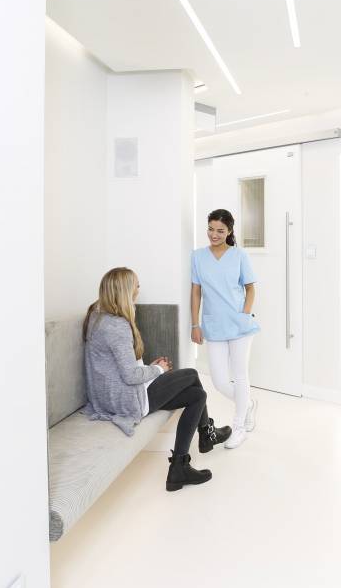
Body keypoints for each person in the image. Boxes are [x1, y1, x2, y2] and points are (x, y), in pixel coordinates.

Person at [83, 267, 231, 491]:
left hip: (113, 397)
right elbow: (130, 376)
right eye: (136, 285)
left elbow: (116, 368)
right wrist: (158, 370)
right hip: (127, 401)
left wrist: (149, 369)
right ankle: (205, 436)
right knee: (192, 374)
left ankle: (182, 464)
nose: (139, 288)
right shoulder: (117, 326)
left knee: (197, 395)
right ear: (124, 291)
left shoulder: (97, 317)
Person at [191, 209, 260, 449]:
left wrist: (244, 315)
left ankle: (239, 428)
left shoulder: (239, 255)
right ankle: (247, 403)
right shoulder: (198, 257)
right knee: (219, 380)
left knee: (240, 375)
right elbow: (196, 292)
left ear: (229, 231)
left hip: (240, 325)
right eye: (211, 229)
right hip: (213, 325)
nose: (214, 234)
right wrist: (195, 324)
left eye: (220, 230)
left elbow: (250, 288)